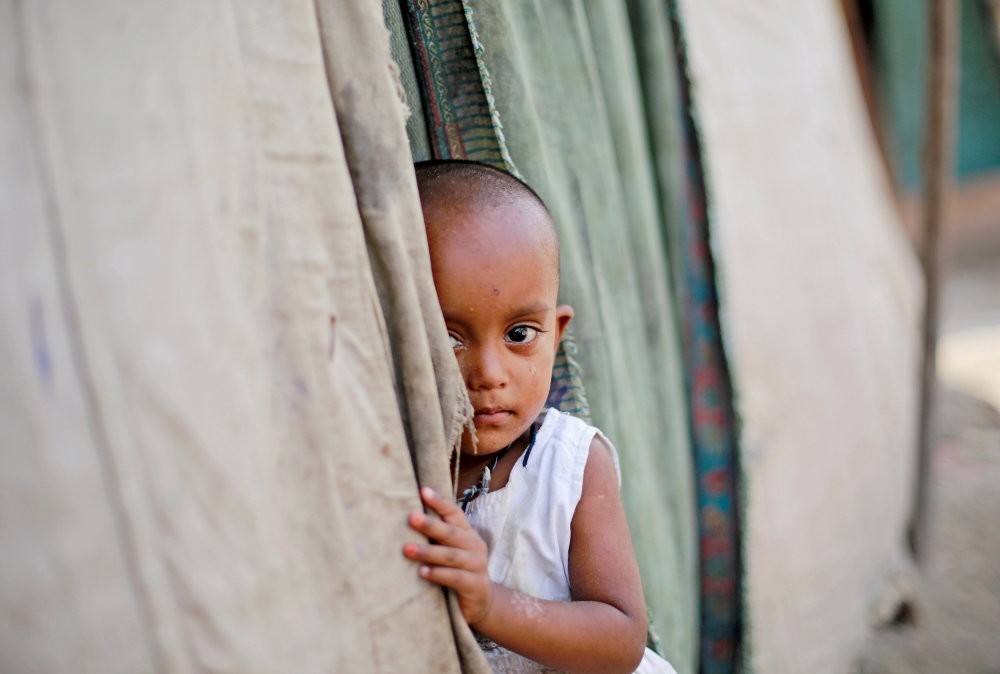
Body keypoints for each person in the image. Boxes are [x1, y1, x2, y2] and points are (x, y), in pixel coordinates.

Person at [403, 160, 676, 674]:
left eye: (520, 334)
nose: (488, 374)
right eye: (448, 339)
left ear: (557, 332)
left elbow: (620, 639)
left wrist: (489, 604)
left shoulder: (569, 465)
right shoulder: (393, 463)